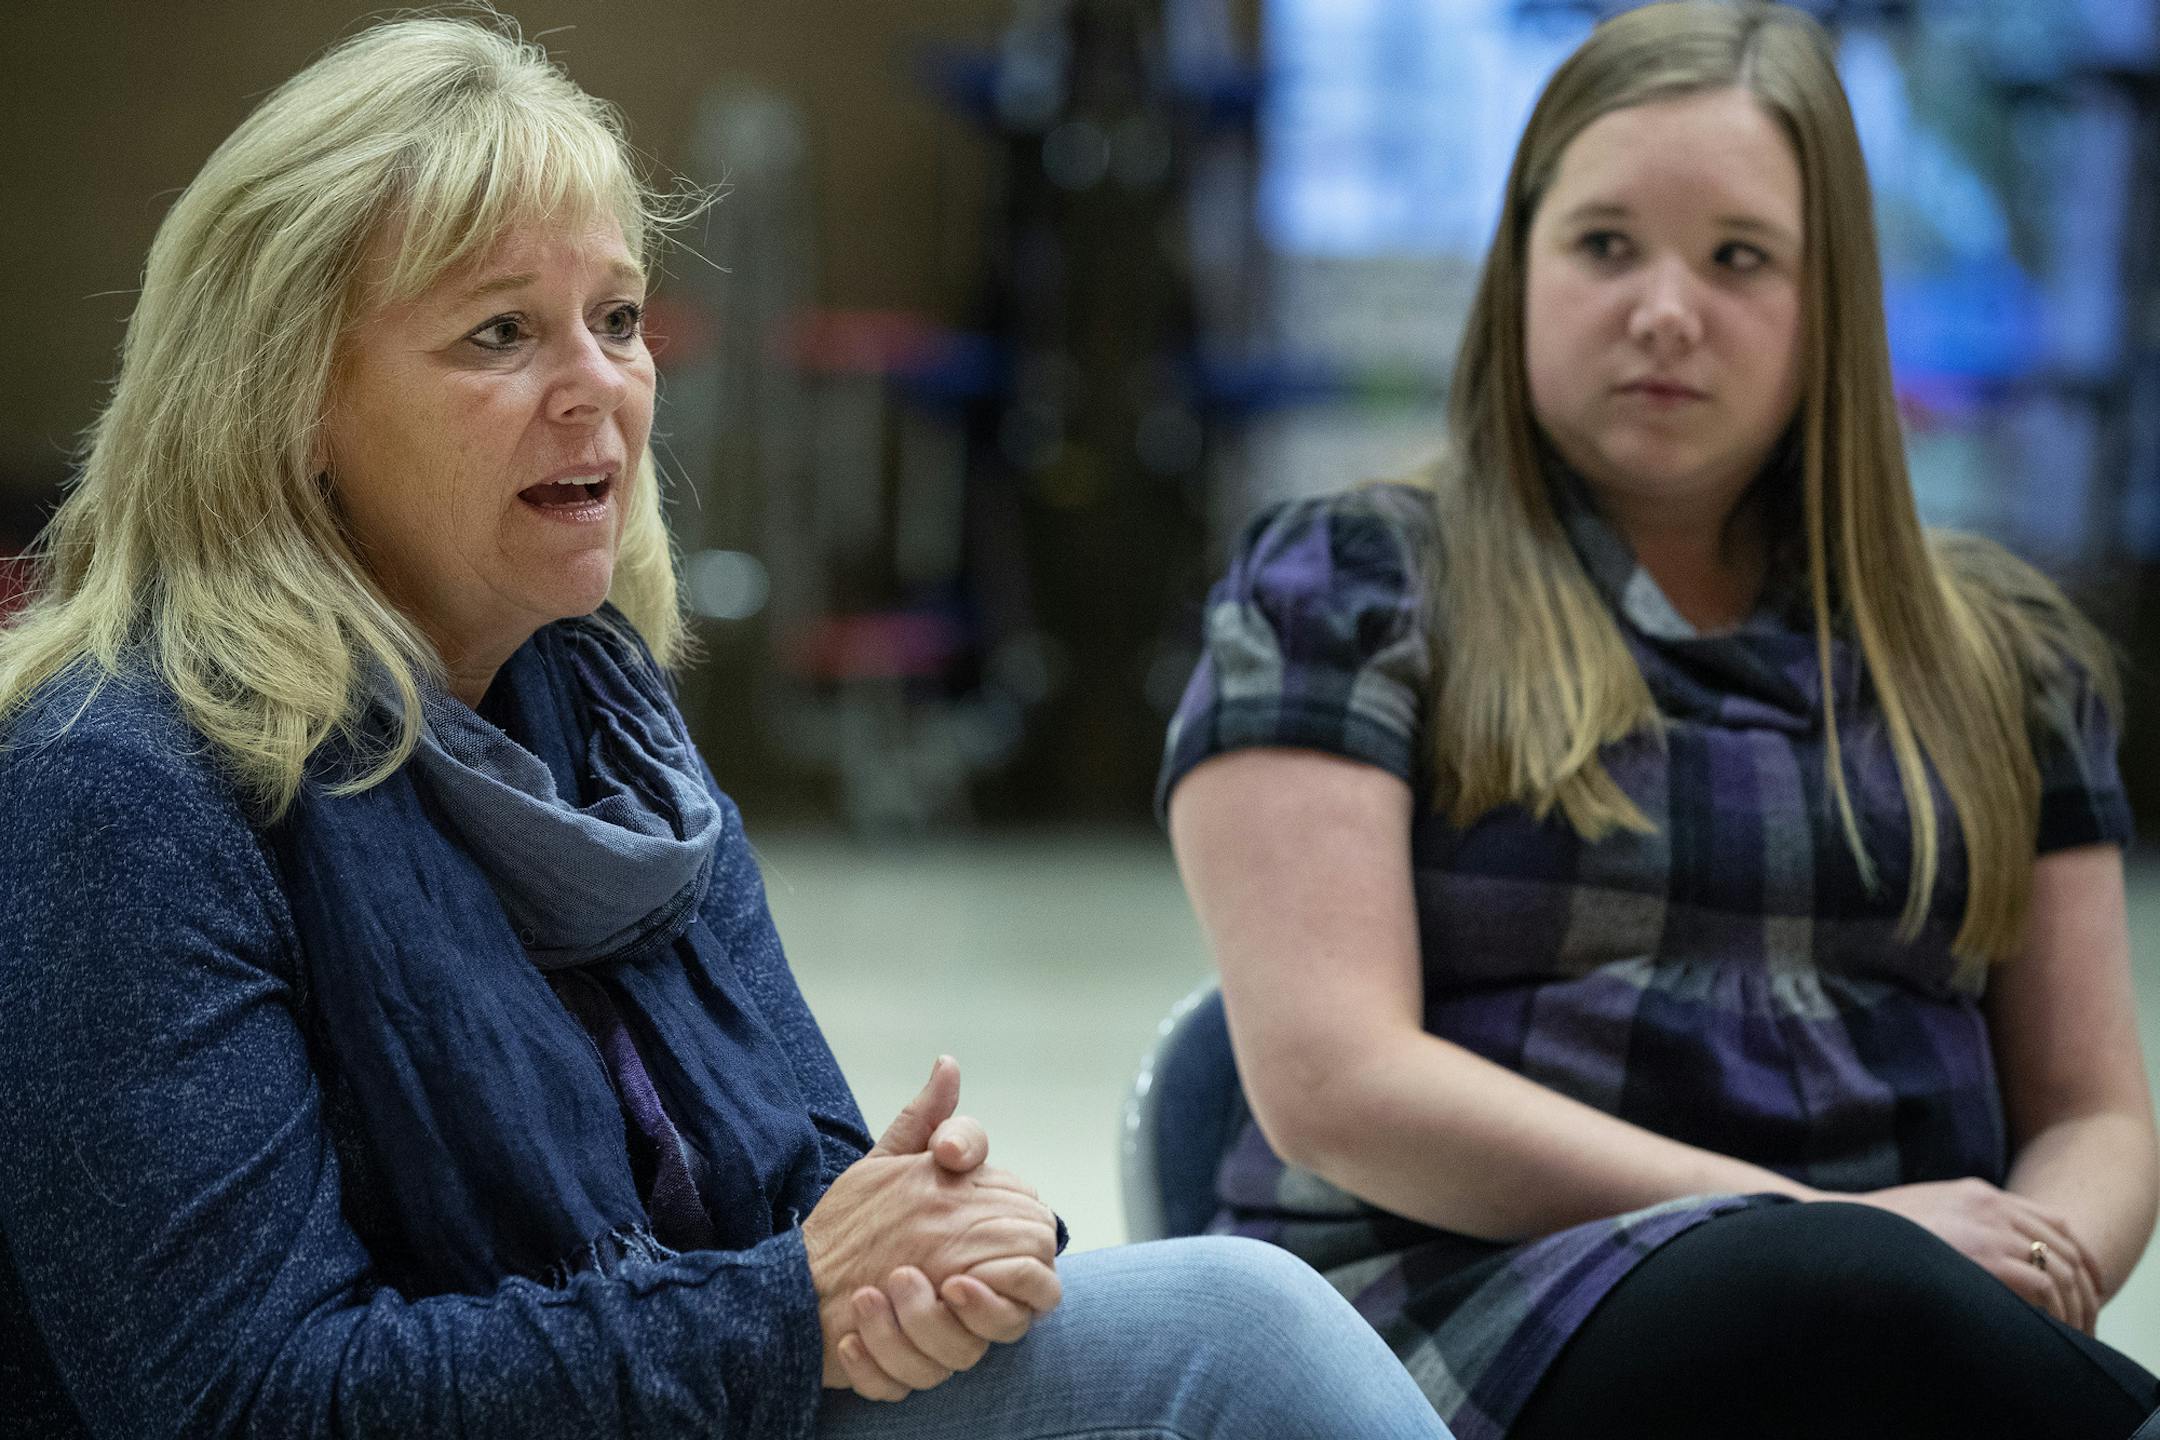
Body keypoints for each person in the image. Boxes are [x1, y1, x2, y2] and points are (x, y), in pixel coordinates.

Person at [0, 16, 1457, 1440]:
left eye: (618, 320)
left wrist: (923, 1246)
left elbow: (798, 1185)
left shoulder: (604, 717)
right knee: (1234, 1340)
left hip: (685, 1396)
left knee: (1231, 1326)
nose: (600, 388)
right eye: (501, 332)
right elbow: (241, 1399)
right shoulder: (117, 787)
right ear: (288, 399)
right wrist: (791, 1307)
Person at [1161, 4, 2160, 1439]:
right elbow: (1337, 1085)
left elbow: (2098, 1117)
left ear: (1834, 304)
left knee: (1861, 1324)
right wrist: (1839, 1230)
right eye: (1606, 245)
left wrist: (2036, 1264)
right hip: (1466, 1319)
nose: (1665, 311)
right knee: (1832, 1294)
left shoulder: (2005, 656)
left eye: (1739, 258)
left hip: (1910, 1335)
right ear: (1519, 271)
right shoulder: (1347, 586)